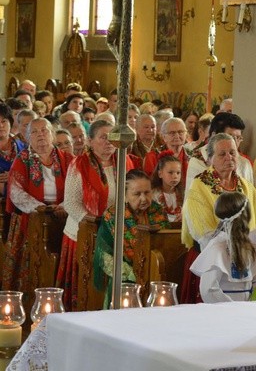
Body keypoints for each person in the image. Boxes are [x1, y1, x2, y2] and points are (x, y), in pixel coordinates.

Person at [56, 119, 132, 310]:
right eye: (103, 137)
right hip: (84, 234)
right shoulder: (79, 164)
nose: (108, 142)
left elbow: (131, 195)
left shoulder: (124, 161)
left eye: (112, 138)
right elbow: (72, 204)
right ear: (90, 141)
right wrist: (96, 223)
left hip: (115, 234)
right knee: (85, 288)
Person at [181, 133, 256, 303]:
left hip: (245, 256)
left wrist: (249, 251)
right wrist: (229, 252)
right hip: (212, 257)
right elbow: (202, 233)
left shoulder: (247, 187)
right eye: (222, 154)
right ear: (210, 158)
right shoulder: (199, 186)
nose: (229, 158)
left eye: (233, 152)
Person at [1, 118, 73, 294]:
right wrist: (40, 208)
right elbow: (15, 191)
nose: (40, 135)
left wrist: (64, 206)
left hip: (63, 214)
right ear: (27, 137)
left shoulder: (68, 158)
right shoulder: (22, 159)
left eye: (45, 130)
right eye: (34, 131)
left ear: (53, 135)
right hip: (32, 216)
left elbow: (76, 187)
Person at [93, 169, 169, 308]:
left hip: (156, 278)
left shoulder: (158, 212)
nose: (143, 198)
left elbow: (167, 245)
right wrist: (134, 275)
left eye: (147, 192)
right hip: (125, 282)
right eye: (137, 194)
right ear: (125, 195)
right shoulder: (113, 216)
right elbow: (105, 256)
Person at [190, 191, 256, 302]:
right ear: (246, 216)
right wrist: (232, 308)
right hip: (225, 311)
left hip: (249, 310)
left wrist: (254, 306)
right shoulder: (217, 248)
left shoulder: (251, 248)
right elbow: (209, 289)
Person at [186, 112, 253, 194]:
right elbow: (196, 196)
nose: (234, 143)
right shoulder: (198, 160)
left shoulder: (244, 163)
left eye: (238, 138)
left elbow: (251, 196)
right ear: (214, 136)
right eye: (230, 137)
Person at [144, 117, 189, 182]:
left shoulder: (193, 155)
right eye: (172, 133)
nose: (177, 136)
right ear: (163, 137)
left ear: (186, 134)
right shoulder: (152, 157)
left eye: (180, 132)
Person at [150, 155, 184, 223]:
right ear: (160, 174)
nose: (175, 176)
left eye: (178, 173)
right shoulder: (153, 195)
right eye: (170, 173)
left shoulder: (183, 194)